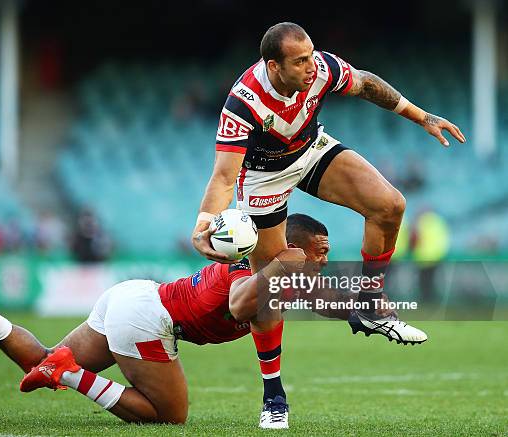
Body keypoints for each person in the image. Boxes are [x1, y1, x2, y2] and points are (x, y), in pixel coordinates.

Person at [0, 214, 404, 429]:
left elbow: (308, 297)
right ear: (288, 248)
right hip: (149, 319)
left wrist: (362, 312)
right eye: (317, 253)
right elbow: (239, 304)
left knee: (39, 362)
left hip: (134, 298)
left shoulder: (267, 272)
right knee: (169, 416)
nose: (321, 261)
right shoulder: (254, 274)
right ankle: (74, 373)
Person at [190, 22, 458, 421]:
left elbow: (365, 83)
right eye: (299, 61)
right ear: (273, 66)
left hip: (312, 149)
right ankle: (274, 398)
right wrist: (203, 223)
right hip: (264, 176)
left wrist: (421, 116)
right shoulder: (243, 104)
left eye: (312, 55)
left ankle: (369, 301)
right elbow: (225, 176)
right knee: (272, 287)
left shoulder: (321, 69)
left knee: (390, 205)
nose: (311, 66)